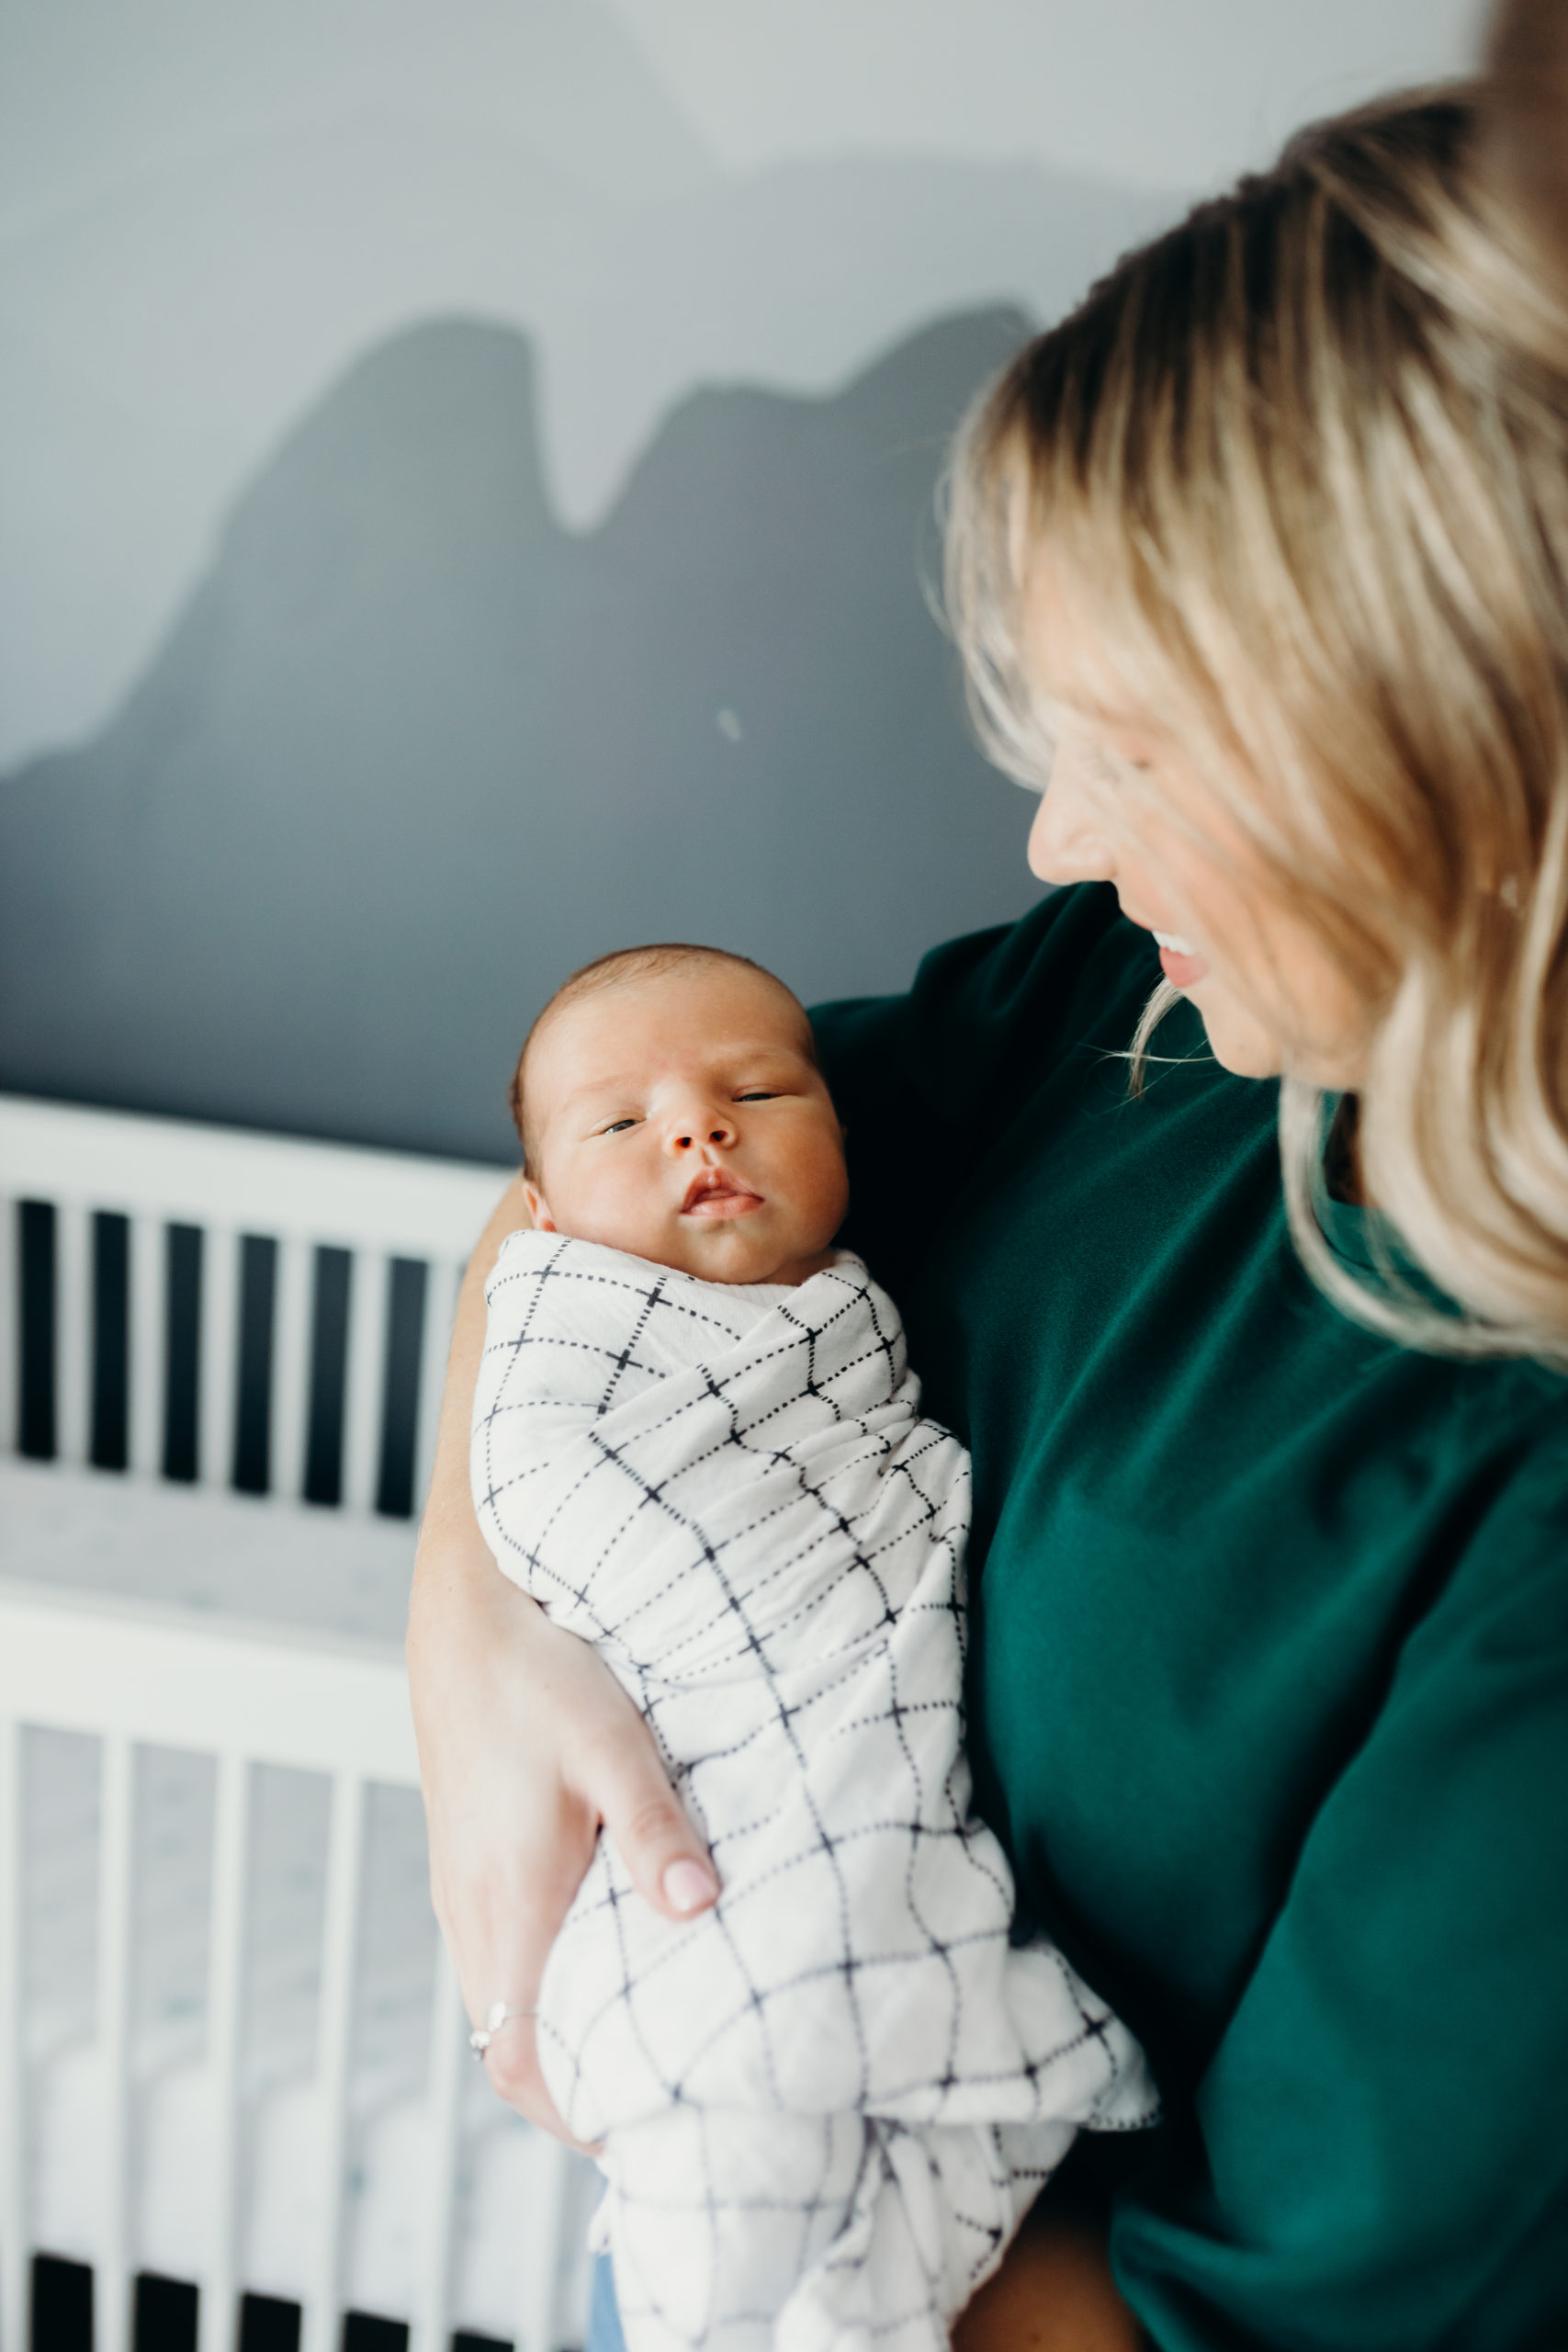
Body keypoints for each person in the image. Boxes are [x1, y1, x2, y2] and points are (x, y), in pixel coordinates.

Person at [409, 84, 1568, 2349]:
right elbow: (576, 1198)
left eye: (1140, 748)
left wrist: (758, 2220)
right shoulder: (1141, 1010)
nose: (1056, 842)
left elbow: (1255, 2314)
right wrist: (483, 1642)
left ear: (1450, 746)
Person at [468, 943, 1154, 2350]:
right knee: (742, 2158)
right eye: (621, 1122)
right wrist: (469, 1640)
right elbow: (545, 1489)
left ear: (845, 1133)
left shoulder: (840, 1312)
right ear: (541, 1218)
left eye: (759, 1094)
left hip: (900, 1881)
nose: (698, 1131)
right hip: (719, 1843)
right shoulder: (571, 1355)